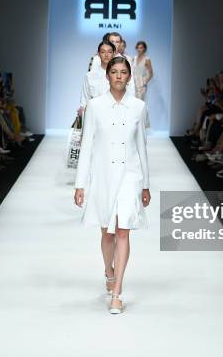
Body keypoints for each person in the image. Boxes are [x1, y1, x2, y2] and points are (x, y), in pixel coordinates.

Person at [74, 56, 151, 314]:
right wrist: (80, 184)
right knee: (106, 233)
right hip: (103, 174)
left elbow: (142, 148)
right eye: (114, 72)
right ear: (107, 76)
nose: (119, 76)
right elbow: (86, 146)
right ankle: (109, 271)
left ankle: (117, 292)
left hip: (130, 175)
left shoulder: (139, 107)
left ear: (129, 76)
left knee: (122, 231)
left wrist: (146, 185)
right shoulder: (95, 106)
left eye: (123, 72)